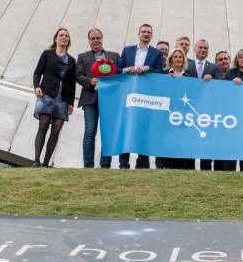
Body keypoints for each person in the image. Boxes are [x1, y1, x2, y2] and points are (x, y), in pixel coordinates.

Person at [119, 23, 165, 169]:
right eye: (143, 32)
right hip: (128, 95)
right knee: (126, 128)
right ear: (138, 34)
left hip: (146, 97)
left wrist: (147, 68)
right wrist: (128, 69)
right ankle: (123, 163)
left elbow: (160, 73)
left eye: (149, 32)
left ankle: (141, 163)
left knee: (144, 128)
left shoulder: (156, 53)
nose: (146, 34)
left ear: (151, 35)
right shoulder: (127, 50)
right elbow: (118, 69)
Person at [76, 27, 120, 168]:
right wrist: (90, 81)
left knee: (107, 133)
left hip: (109, 100)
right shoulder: (82, 56)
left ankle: (105, 165)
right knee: (90, 132)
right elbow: (78, 75)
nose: (96, 40)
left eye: (98, 38)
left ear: (102, 39)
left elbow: (120, 76)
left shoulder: (114, 56)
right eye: (93, 38)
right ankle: (88, 166)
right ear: (89, 40)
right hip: (90, 99)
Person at [32, 28, 75, 167]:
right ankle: (36, 161)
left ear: (68, 40)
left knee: (56, 130)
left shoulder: (72, 61)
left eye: (66, 36)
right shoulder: (47, 54)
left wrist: (70, 102)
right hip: (47, 95)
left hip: (63, 98)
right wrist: (36, 86)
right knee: (43, 126)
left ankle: (45, 163)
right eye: (61, 35)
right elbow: (37, 72)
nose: (64, 37)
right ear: (56, 39)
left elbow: (72, 83)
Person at [184, 39, 221, 170]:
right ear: (195, 49)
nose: (203, 50)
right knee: (190, 139)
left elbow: (221, 84)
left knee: (206, 138)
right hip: (190, 109)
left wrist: (213, 79)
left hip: (207, 110)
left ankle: (206, 169)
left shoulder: (214, 67)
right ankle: (189, 168)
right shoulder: (187, 65)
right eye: (200, 48)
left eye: (205, 48)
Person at [156, 49, 194, 170]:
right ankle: (162, 165)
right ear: (171, 59)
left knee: (181, 139)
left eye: (180, 57)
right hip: (166, 114)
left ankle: (181, 166)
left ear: (184, 60)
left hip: (182, 115)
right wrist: (165, 80)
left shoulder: (190, 77)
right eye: (175, 57)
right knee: (165, 139)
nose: (178, 59)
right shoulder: (163, 74)